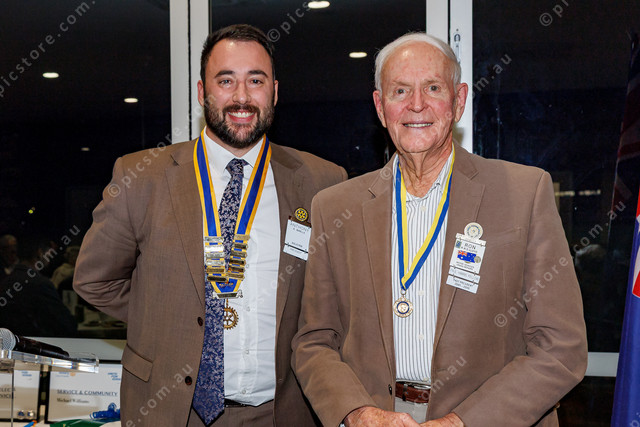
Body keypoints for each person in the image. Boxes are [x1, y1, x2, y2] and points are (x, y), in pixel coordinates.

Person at [292, 33, 588, 427]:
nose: (416, 104)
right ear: (380, 106)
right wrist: (358, 413)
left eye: (433, 88)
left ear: (459, 100)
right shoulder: (334, 208)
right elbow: (314, 342)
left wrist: (462, 422)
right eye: (400, 90)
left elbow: (561, 346)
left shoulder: (524, 193)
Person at [74, 24, 346, 426]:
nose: (241, 97)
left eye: (256, 80)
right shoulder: (142, 177)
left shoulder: (322, 181)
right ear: (203, 92)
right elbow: (95, 280)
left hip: (283, 413)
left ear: (274, 92)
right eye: (226, 80)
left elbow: (339, 299)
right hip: (172, 412)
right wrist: (172, 321)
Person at [0, 235, 77, 337]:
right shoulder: (41, 284)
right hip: (41, 343)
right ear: (40, 253)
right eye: (49, 252)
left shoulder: (5, 282)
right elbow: (67, 326)